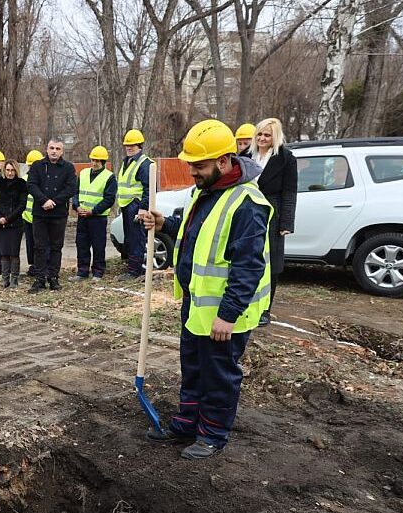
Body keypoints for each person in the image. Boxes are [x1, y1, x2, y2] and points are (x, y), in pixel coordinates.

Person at [141, 119, 272, 460]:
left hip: (224, 315)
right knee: (194, 369)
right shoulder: (208, 192)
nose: (192, 173)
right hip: (197, 309)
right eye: (190, 166)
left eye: (198, 166)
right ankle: (187, 423)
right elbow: (194, 232)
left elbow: (249, 266)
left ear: (224, 161)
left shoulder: (247, 203)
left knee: (219, 376)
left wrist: (227, 315)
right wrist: (164, 223)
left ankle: (212, 434)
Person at [246, 117, 297, 326]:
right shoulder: (246, 155)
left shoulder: (286, 158)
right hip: (247, 209)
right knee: (246, 257)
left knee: (270, 263)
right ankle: (246, 303)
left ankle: (265, 308)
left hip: (272, 212)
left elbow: (290, 191)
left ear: (275, 137)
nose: (262, 138)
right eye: (259, 134)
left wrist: (286, 222)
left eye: (267, 135)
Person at [27, 138, 76, 292]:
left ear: (62, 151)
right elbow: (31, 185)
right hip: (40, 213)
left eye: (57, 149)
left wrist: (54, 201)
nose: (54, 151)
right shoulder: (37, 166)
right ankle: (40, 278)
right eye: (51, 148)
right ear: (46, 149)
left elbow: (71, 188)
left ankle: (53, 277)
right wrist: (44, 200)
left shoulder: (68, 168)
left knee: (56, 247)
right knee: (39, 246)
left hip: (58, 213)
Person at [71, 146, 117, 280]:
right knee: (82, 244)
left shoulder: (109, 177)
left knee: (98, 245)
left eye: (98, 160)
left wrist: (93, 211)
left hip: (97, 217)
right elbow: (76, 193)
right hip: (82, 216)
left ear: (103, 162)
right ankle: (82, 271)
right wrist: (77, 206)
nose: (94, 162)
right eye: (93, 160)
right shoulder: (84, 173)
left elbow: (109, 199)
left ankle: (98, 272)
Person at [116, 129, 154, 281]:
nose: (129, 147)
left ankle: (135, 271)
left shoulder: (144, 163)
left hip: (136, 206)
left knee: (136, 238)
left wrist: (143, 208)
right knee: (130, 238)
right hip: (126, 205)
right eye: (127, 145)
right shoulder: (127, 161)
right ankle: (133, 268)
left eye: (133, 145)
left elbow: (149, 188)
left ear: (140, 145)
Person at [0, 159, 27, 288]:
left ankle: (14, 280)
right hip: (1, 223)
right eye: (7, 170)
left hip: (15, 223)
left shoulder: (21, 184)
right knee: (4, 252)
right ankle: (5, 279)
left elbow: (22, 205)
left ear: (16, 170)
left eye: (12, 170)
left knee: (13, 252)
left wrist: (8, 218)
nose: (10, 173)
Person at [21, 150, 45, 277]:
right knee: (32, 244)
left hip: (37, 217)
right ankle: (34, 266)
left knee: (38, 244)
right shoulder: (24, 179)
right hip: (28, 217)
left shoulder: (42, 179)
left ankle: (38, 266)